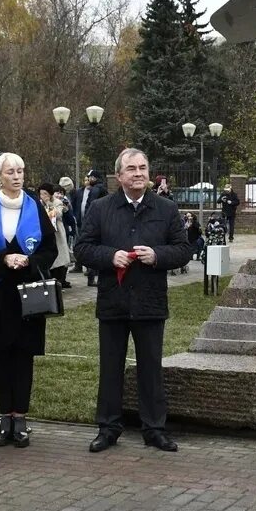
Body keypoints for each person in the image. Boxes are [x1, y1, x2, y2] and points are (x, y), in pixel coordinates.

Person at [74, 148, 191, 454]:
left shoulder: (166, 208)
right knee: (110, 368)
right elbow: (83, 248)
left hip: (150, 303)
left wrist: (158, 256)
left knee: (150, 369)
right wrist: (110, 256)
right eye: (132, 169)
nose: (138, 173)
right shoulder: (101, 208)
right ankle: (108, 427)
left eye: (143, 168)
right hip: (113, 302)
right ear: (119, 176)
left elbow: (183, 249)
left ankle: (154, 429)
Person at [0, 153, 57, 448]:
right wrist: (3, 259)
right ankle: (4, 416)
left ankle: (20, 418)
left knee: (23, 356)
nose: (17, 176)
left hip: (27, 294)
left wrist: (27, 262)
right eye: (10, 172)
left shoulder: (36, 208)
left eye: (21, 170)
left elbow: (49, 250)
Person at [71, 169, 108, 286]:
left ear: (95, 178)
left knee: (91, 247)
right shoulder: (98, 189)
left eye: (90, 177)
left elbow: (91, 206)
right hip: (93, 222)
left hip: (94, 223)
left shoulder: (97, 190)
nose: (88, 179)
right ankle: (91, 275)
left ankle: (92, 275)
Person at [37, 183, 73, 287]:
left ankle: (60, 280)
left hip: (57, 232)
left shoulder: (57, 202)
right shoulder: (39, 203)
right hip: (45, 233)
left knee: (60, 258)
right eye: (41, 194)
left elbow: (58, 213)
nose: (43, 196)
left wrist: (49, 203)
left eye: (45, 193)